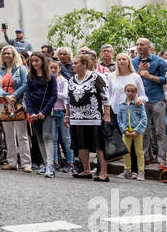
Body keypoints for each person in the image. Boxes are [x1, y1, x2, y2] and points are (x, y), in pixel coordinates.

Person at [66, 51, 110, 179]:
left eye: (76, 63)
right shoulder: (72, 79)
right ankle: (86, 170)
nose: (73, 66)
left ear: (84, 64)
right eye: (73, 63)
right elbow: (68, 99)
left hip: (94, 116)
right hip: (77, 117)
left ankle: (103, 173)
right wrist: (67, 115)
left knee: (99, 145)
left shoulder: (96, 77)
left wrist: (107, 115)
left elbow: (106, 97)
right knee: (80, 144)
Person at [0, 46, 29, 170]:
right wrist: (7, 96)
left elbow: (25, 84)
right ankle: (12, 162)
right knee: (8, 134)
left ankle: (26, 163)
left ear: (14, 55)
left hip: (17, 103)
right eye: (5, 53)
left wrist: (14, 95)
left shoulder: (21, 68)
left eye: (9, 53)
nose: (7, 55)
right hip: (3, 104)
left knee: (22, 135)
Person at [134, 38, 167, 166]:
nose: (139, 47)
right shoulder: (133, 62)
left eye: (142, 44)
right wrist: (138, 72)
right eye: (137, 44)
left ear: (149, 46)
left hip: (157, 99)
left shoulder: (159, 61)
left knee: (160, 130)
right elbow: (130, 79)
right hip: (141, 99)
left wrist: (149, 76)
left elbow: (165, 80)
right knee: (144, 130)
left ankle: (161, 159)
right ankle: (145, 157)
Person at [23, 52, 56, 176]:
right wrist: (31, 112)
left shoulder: (50, 77)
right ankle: (45, 164)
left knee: (47, 137)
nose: (35, 63)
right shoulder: (30, 76)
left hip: (46, 111)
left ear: (42, 61)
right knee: (40, 138)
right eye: (33, 61)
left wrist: (44, 111)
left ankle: (50, 166)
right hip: (34, 112)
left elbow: (54, 96)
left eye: (37, 60)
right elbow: (28, 95)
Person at [114, 82, 147, 180]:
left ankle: (141, 171)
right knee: (126, 152)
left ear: (136, 92)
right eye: (128, 91)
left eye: (132, 91)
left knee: (139, 152)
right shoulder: (121, 105)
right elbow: (119, 119)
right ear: (125, 92)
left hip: (137, 131)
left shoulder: (139, 104)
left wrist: (137, 130)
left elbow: (144, 118)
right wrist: (124, 130)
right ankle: (127, 170)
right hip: (126, 131)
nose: (130, 93)